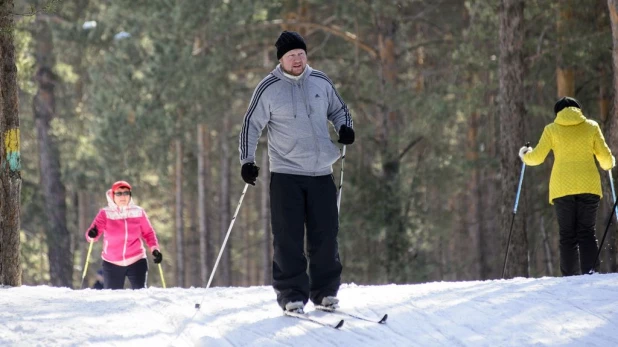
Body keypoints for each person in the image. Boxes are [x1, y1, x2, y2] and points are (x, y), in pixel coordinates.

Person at [238, 31, 354, 313]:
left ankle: (325, 291)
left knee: (325, 236)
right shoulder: (268, 88)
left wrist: (345, 128)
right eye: (292, 56)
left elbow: (340, 110)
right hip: (286, 174)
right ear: (282, 59)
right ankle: (291, 294)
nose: (298, 59)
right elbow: (251, 125)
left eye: (301, 54)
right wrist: (247, 161)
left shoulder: (320, 81)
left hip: (320, 172)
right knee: (288, 237)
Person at [520, 97, 615, 276]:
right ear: (578, 109)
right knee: (587, 232)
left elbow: (537, 158)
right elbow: (605, 159)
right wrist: (610, 163)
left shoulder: (551, 129)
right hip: (589, 186)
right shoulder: (591, 127)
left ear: (557, 113)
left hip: (562, 188)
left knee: (567, 235)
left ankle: (569, 278)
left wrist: (525, 154)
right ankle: (591, 273)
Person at [85, 180, 163, 289]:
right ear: (113, 196)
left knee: (140, 296)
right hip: (112, 263)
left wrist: (155, 249)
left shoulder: (138, 212)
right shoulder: (105, 213)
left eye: (126, 193)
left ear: (130, 195)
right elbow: (91, 236)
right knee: (113, 299)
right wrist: (92, 234)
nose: (123, 196)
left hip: (137, 259)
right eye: (119, 193)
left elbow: (149, 233)